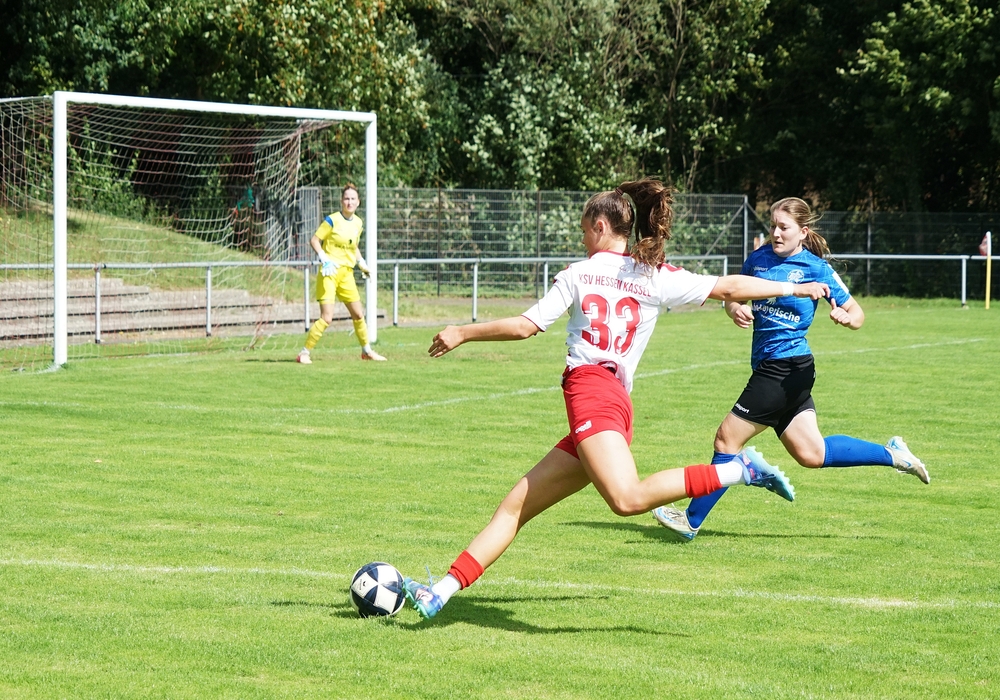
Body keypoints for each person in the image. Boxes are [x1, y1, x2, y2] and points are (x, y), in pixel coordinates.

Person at [401, 179, 832, 620]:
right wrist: (792, 289)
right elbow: (728, 287)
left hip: (592, 394)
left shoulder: (578, 273)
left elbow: (526, 326)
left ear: (601, 226)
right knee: (516, 507)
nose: (582, 239)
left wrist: (462, 332)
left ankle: (738, 470)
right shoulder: (654, 275)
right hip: (611, 404)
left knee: (626, 499)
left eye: (584, 230)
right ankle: (441, 592)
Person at [652, 197, 929, 543]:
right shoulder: (758, 259)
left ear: (803, 232)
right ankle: (893, 454)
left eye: (784, 227)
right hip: (781, 369)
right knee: (813, 453)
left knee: (727, 439)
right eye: (773, 226)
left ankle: (691, 520)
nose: (776, 233)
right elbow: (733, 295)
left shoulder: (816, 268)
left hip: (785, 367)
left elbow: (857, 313)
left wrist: (846, 317)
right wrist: (735, 310)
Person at [296, 184, 386, 363]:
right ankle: (304, 353)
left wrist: (362, 263)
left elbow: (353, 247)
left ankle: (366, 351)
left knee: (358, 315)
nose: (349, 202)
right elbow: (315, 240)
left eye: (353, 199)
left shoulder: (358, 223)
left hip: (346, 275)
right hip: (329, 273)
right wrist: (324, 258)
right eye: (346, 198)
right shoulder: (332, 220)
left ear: (358, 202)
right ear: (341, 201)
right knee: (327, 317)